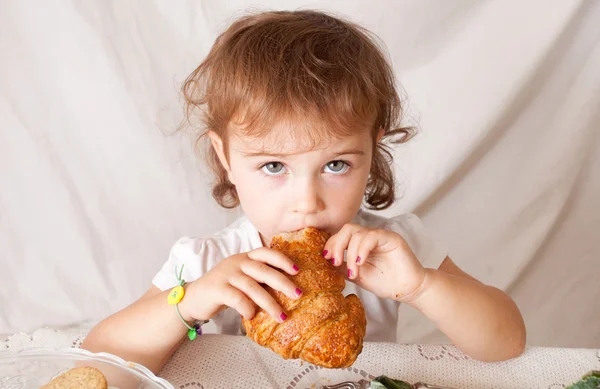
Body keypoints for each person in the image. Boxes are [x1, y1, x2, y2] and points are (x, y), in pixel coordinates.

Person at [82, 9, 526, 373]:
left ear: (372, 151)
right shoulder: (205, 263)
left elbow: (506, 342)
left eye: (336, 165)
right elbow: (100, 359)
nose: (307, 203)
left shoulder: (394, 250)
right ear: (226, 158)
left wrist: (422, 287)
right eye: (274, 166)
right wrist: (192, 301)